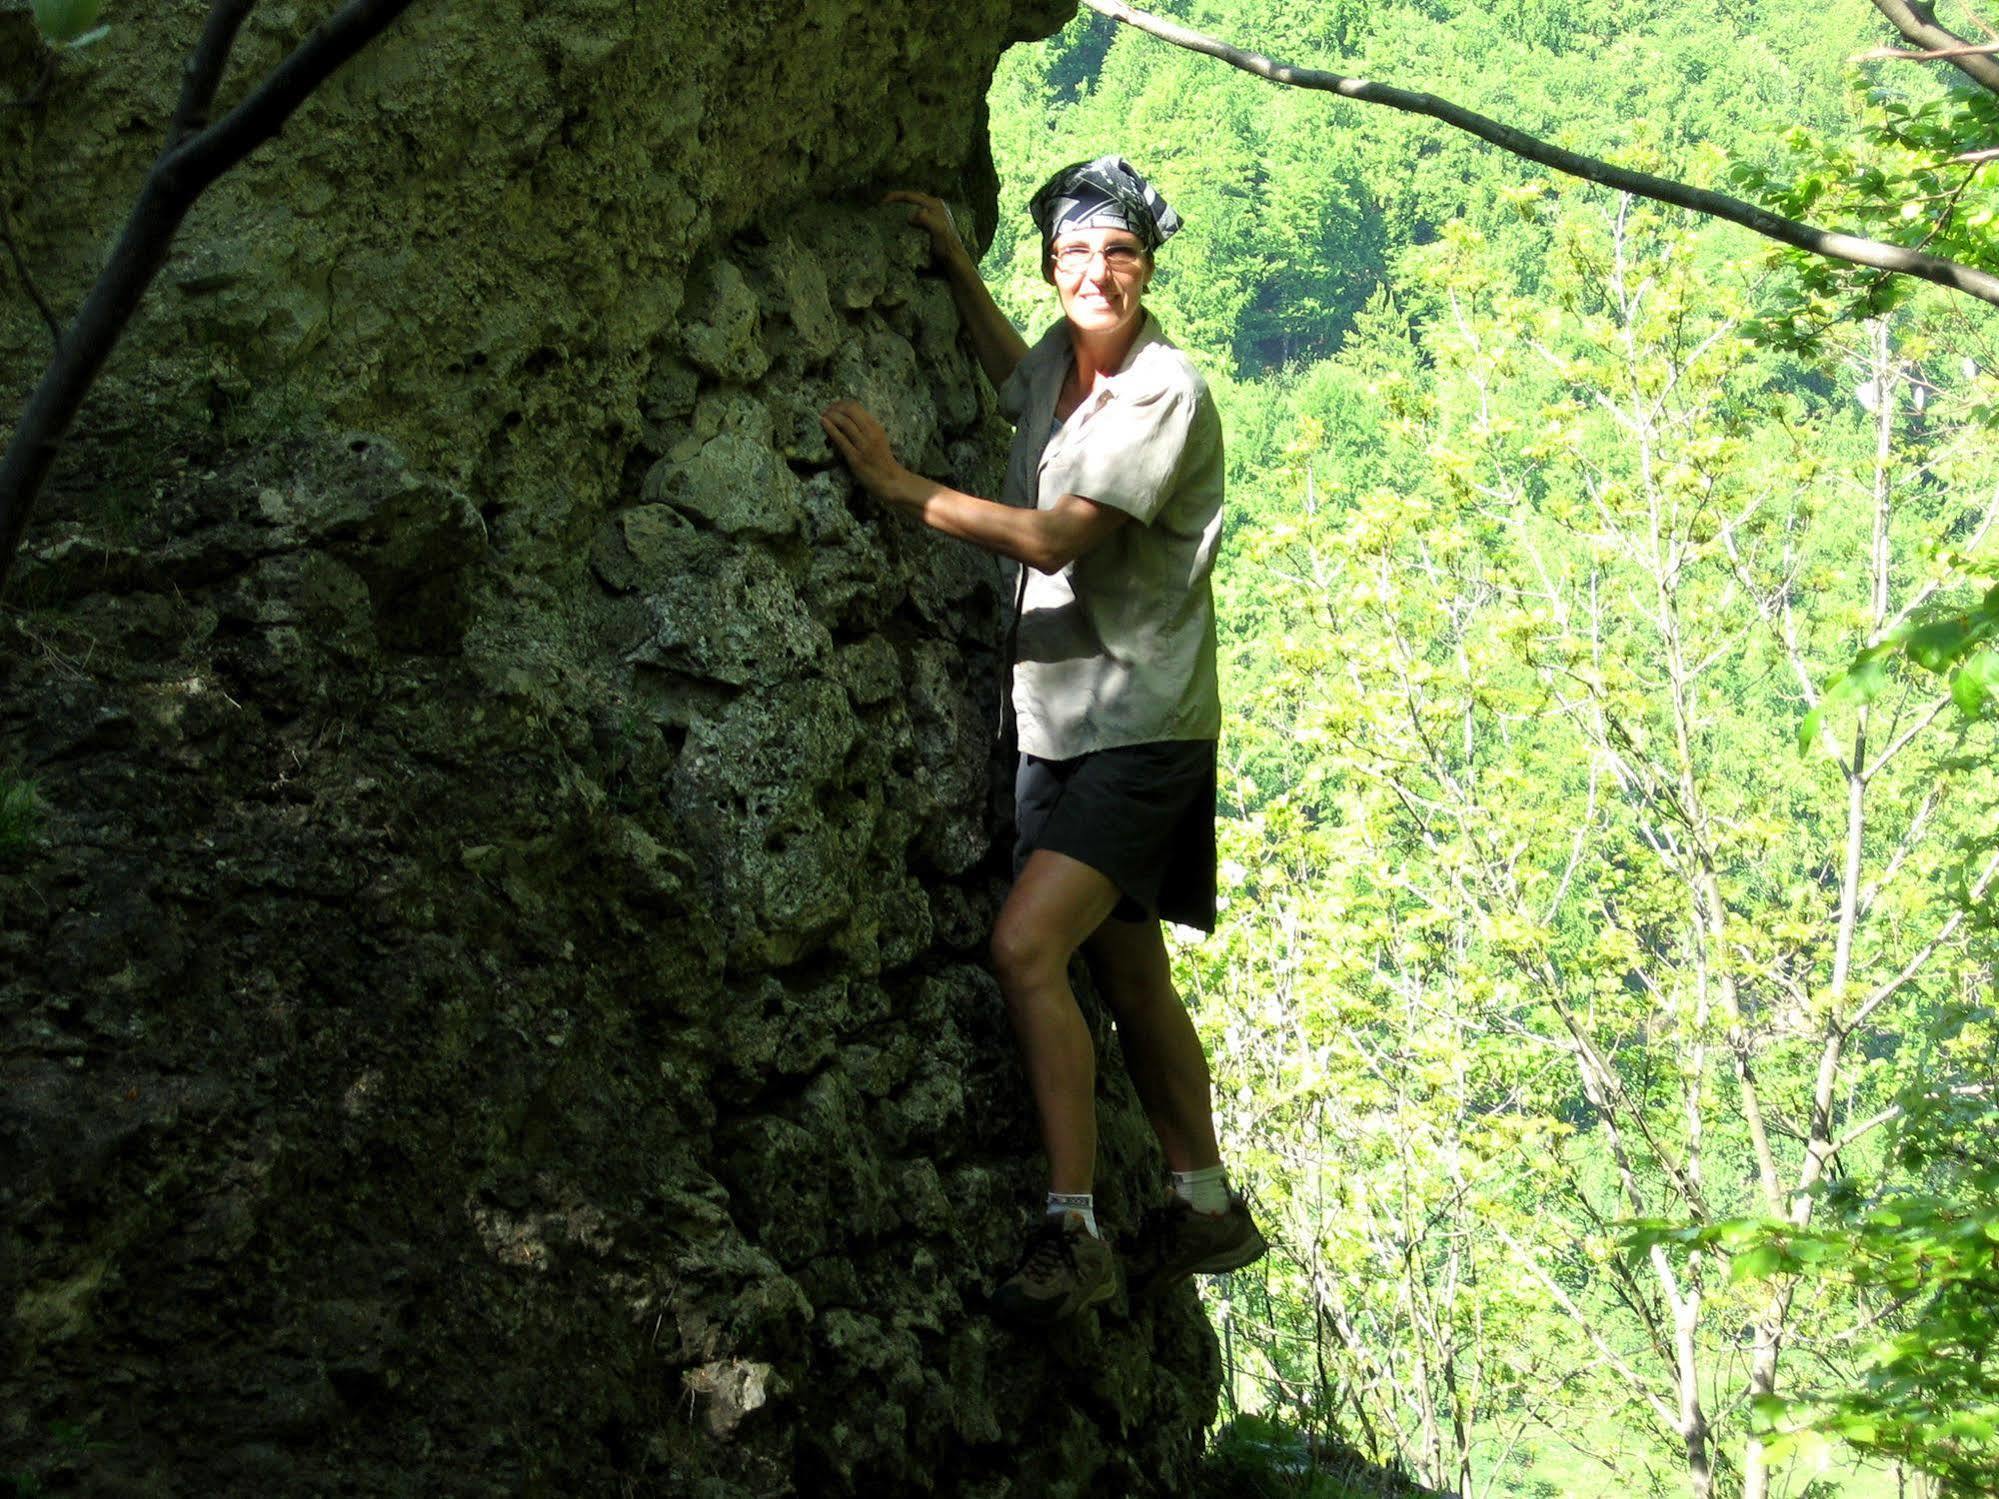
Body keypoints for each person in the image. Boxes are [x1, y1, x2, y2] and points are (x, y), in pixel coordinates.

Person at [820, 157, 1265, 1324]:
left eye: (1117, 253)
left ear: (1147, 265)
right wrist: (955, 264)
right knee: (1121, 964)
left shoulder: (1162, 393)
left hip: (1137, 727)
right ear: (1052, 265)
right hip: (1059, 723)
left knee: (1026, 949)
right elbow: (1010, 370)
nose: (1096, 273)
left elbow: (1055, 540)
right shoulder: (1062, 372)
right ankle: (1205, 1199)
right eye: (1074, 253)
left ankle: (1070, 1226)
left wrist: (895, 485)